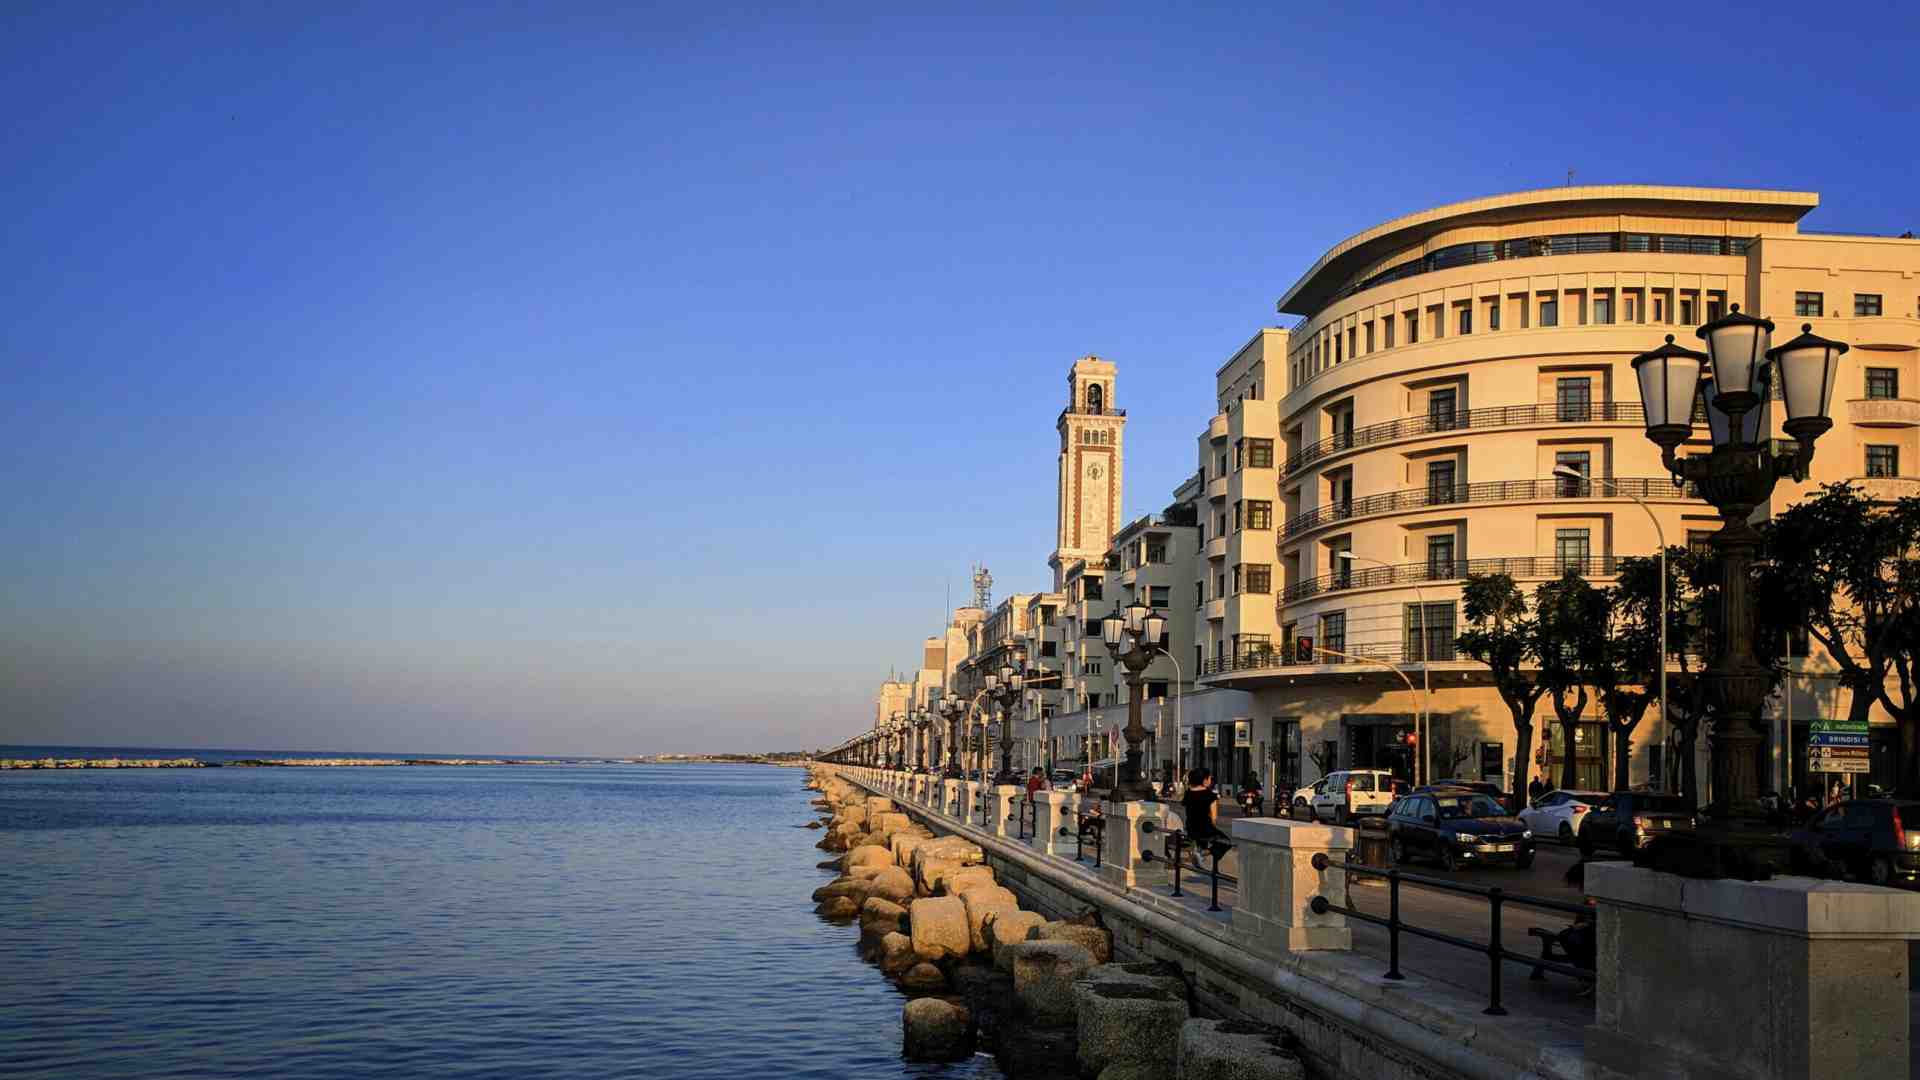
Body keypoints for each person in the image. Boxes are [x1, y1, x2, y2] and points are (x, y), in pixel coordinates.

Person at [1181, 767, 1231, 856]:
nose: (1210, 780)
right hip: (1205, 829)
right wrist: (1213, 829)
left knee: (1202, 841)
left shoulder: (1188, 793)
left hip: (1190, 828)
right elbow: (1214, 818)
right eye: (1209, 778)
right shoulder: (1210, 796)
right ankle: (1204, 853)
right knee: (1226, 841)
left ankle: (1199, 852)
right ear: (1204, 780)